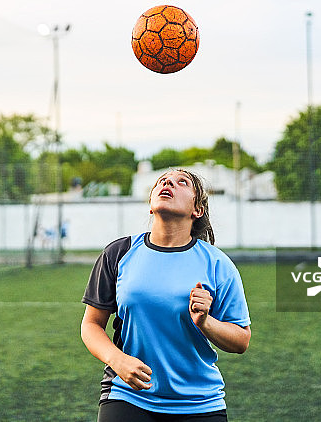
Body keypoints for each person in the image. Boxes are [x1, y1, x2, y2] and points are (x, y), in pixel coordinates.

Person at [81, 169, 251, 422]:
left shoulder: (217, 264)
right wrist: (118, 360)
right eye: (162, 181)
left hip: (199, 402)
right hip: (128, 396)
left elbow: (241, 341)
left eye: (182, 182)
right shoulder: (119, 253)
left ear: (197, 210)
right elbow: (91, 325)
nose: (168, 182)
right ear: (151, 206)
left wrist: (206, 322)